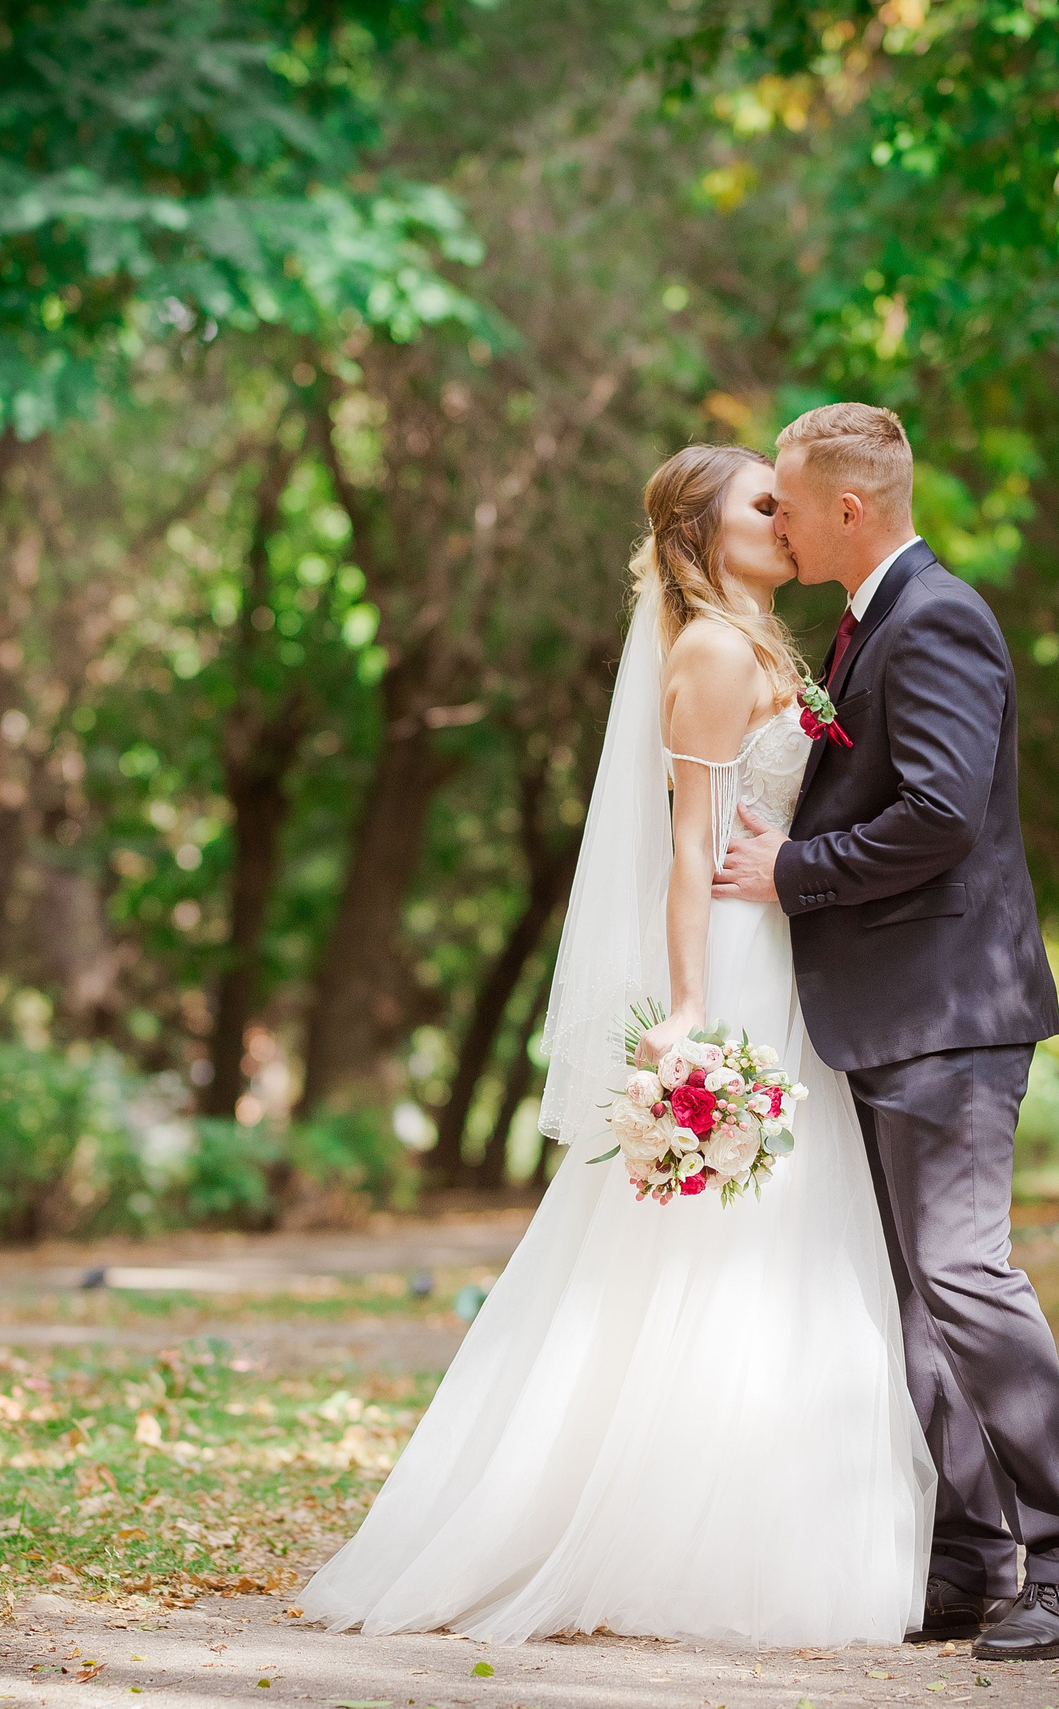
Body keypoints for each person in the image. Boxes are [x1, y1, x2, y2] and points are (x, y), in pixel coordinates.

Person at [300, 443, 934, 1647]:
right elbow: (688, 846)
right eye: (764, 504)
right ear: (703, 534)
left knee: (787, 1240)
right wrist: (691, 1013)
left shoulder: (759, 641)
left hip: (789, 958)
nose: (786, 517)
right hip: (738, 971)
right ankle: (665, 1537)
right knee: (717, 1241)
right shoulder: (705, 650)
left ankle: (767, 1516)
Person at [712, 402, 1059, 1661]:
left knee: (963, 1278)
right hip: (893, 1008)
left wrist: (794, 870)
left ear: (850, 508)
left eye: (784, 499)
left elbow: (940, 813)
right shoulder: (868, 614)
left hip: (949, 1006)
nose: (771, 517)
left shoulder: (934, 615)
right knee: (916, 1298)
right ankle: (967, 1558)